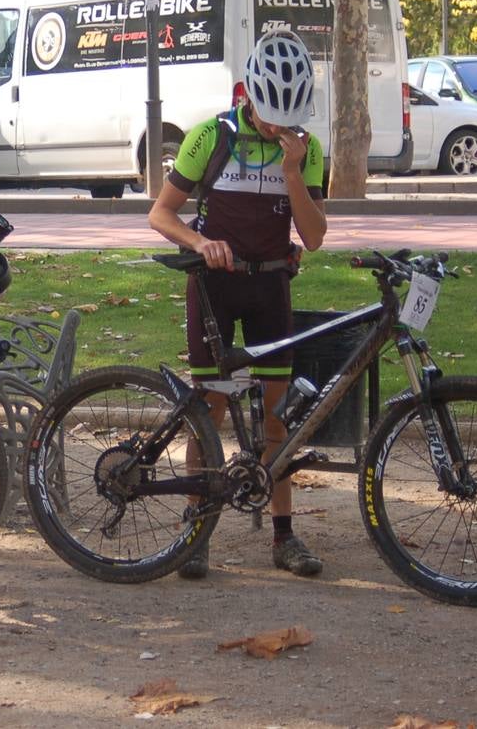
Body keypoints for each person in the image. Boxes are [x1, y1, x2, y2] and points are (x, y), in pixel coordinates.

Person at [147, 30, 329, 580]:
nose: (278, 128)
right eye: (271, 114)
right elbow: (161, 214)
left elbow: (315, 236)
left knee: (278, 420)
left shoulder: (306, 148)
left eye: (288, 116)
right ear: (248, 93)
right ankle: (196, 530)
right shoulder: (212, 136)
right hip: (215, 289)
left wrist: (293, 172)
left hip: (271, 286)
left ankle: (283, 535)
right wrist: (200, 243)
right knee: (210, 413)